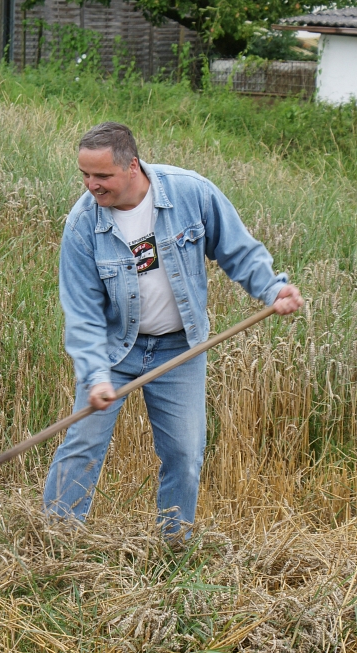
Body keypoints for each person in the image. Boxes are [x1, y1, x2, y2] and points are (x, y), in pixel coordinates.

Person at [43, 122, 303, 538]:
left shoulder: (190, 193)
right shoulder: (82, 225)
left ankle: (174, 544)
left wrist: (272, 289)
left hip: (180, 349)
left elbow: (237, 250)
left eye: (102, 175)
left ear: (132, 165)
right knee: (83, 445)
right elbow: (83, 312)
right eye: (85, 175)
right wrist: (95, 374)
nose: (91, 185)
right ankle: (56, 538)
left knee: (184, 452)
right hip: (114, 351)